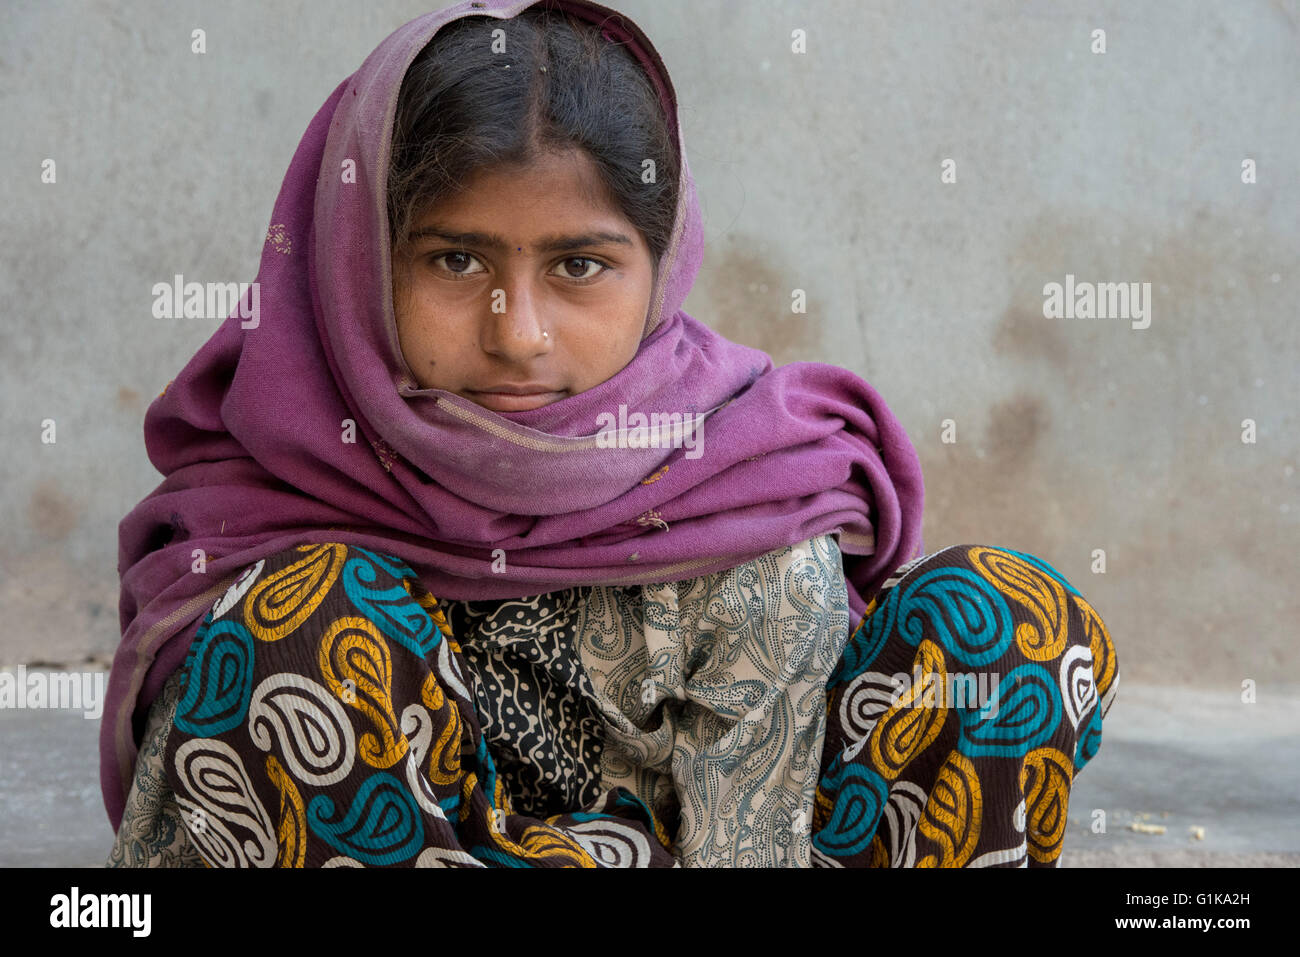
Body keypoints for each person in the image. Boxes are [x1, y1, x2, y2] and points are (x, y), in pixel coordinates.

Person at [102, 0, 1117, 868]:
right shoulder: (274, 472)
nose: (518, 331)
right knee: (304, 619)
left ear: (661, 264)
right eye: (455, 261)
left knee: (1006, 620)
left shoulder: (750, 474)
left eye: (579, 265)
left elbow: (754, 838)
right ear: (357, 260)